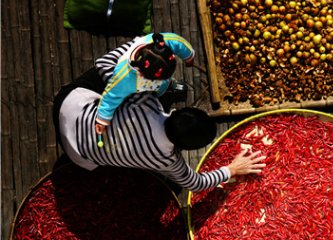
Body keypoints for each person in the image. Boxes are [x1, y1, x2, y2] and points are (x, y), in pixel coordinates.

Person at [52, 68, 266, 192]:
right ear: (181, 148)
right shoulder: (166, 161)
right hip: (79, 156)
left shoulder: (143, 102)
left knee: (121, 76)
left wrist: (158, 83)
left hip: (67, 106)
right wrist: (232, 169)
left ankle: (168, 88)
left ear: (174, 113)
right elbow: (195, 183)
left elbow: (124, 72)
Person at [95, 32, 195, 136]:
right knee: (148, 96)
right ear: (142, 74)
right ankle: (161, 93)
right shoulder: (124, 77)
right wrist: (102, 119)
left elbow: (178, 42)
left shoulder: (161, 43)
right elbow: (112, 96)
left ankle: (167, 87)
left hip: (155, 82)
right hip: (140, 87)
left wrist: (188, 56)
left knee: (165, 84)